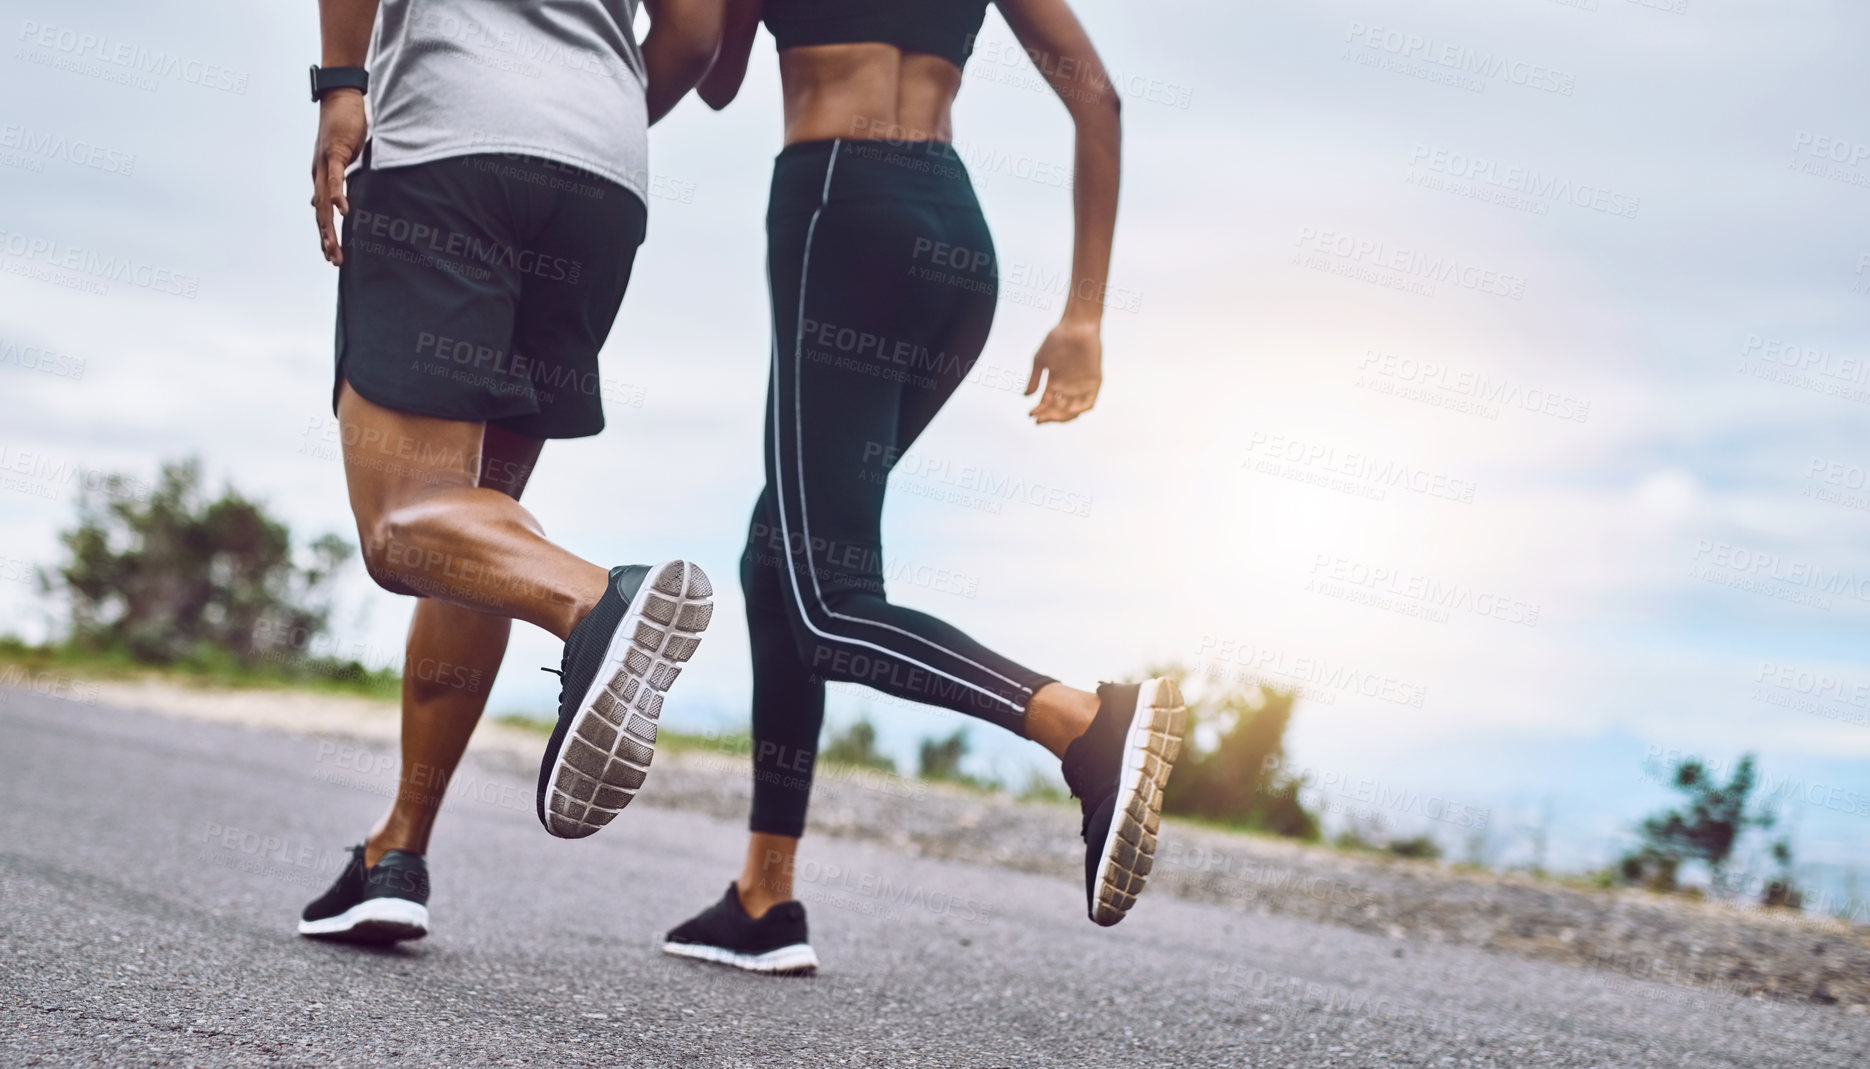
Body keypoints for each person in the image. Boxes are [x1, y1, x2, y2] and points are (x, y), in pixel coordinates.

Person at [661, 0, 1183, 975]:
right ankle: (763, 896)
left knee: (826, 602)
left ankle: (1080, 724)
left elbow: (713, 71)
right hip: (952, 236)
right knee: (777, 554)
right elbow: (1098, 98)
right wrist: (1083, 315)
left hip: (841, 211)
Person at [295, 0, 722, 944]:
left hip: (450, 145)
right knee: (477, 518)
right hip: (603, 181)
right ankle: (396, 849)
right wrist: (581, 108)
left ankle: (598, 604)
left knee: (404, 524)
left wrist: (340, 86)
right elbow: (697, 32)